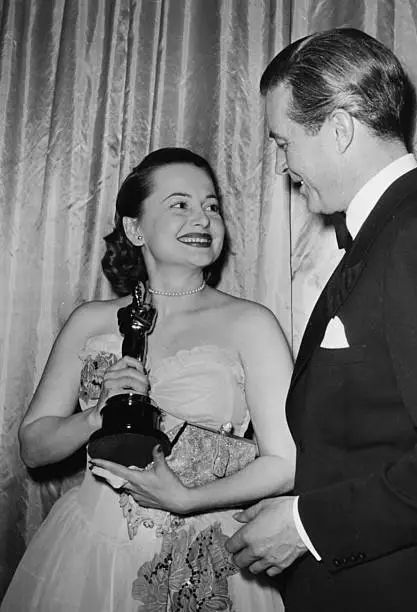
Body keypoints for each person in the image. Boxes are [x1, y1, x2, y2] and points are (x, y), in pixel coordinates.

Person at [226, 28, 417, 611]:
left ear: (340, 129)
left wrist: (304, 526)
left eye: (283, 142)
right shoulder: (396, 231)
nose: (282, 166)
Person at [2, 147, 295, 612]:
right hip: (89, 551)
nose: (202, 219)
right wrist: (96, 416)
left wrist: (187, 498)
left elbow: (285, 462)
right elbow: (33, 447)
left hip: (205, 553)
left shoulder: (251, 324)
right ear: (134, 228)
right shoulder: (90, 322)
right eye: (180, 204)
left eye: (212, 206)